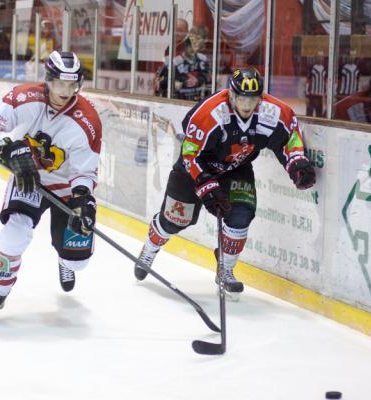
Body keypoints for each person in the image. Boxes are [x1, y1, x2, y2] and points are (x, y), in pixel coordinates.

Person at [134, 67, 316, 298]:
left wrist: (297, 162)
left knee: (240, 215)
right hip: (196, 169)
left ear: (261, 97)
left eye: (253, 99)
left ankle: (226, 270)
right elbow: (190, 153)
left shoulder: (273, 112)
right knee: (175, 220)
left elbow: (289, 138)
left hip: (235, 168)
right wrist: (207, 187)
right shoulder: (211, 113)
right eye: (241, 98)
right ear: (231, 95)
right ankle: (149, 249)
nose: (247, 105)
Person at [0, 51, 102, 322]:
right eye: (60, 83)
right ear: (48, 80)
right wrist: (10, 149)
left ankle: (65, 261)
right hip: (28, 179)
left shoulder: (88, 121)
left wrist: (83, 200)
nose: (66, 91)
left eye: (73, 84)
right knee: (14, 234)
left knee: (78, 261)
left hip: (65, 187)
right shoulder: (22, 97)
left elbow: (84, 171)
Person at [155, 26, 211, 101]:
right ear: (190, 38)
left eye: (204, 39)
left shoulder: (203, 60)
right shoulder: (174, 60)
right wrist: (174, 84)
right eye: (197, 38)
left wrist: (199, 81)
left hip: (196, 103)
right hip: (176, 103)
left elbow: (207, 81)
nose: (202, 42)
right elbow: (159, 82)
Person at [305, 53, 327, 117]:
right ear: (316, 58)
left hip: (320, 96)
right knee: (309, 114)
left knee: (319, 115)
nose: (320, 59)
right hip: (312, 95)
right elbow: (308, 82)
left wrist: (325, 95)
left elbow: (325, 82)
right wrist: (307, 95)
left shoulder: (324, 69)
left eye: (321, 57)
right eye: (318, 57)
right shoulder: (312, 68)